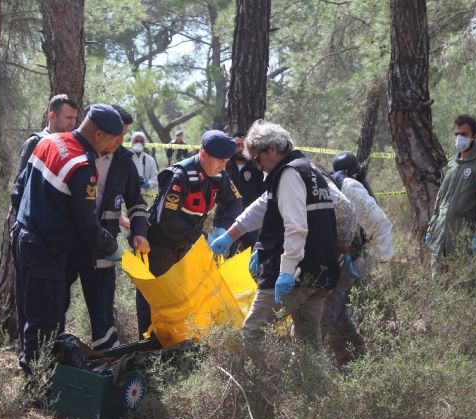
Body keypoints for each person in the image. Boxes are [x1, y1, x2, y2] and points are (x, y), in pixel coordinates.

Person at [11, 104, 124, 372]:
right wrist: (111, 244)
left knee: (30, 312)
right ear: (98, 134)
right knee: (45, 322)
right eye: (111, 141)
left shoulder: (49, 141)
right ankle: (39, 386)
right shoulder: (82, 165)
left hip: (22, 237)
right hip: (45, 250)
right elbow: (86, 222)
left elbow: (19, 189)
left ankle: (32, 369)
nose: (112, 148)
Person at [209, 120, 339, 354]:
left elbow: (296, 227)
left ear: (273, 150)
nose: (258, 167)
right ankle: (317, 390)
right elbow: (262, 206)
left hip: (295, 273)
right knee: (308, 345)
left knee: (253, 333)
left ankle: (258, 389)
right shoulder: (309, 169)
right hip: (321, 271)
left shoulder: (289, 174)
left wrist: (286, 271)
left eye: (257, 159)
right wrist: (230, 236)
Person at [139, 130, 243, 338]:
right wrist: (200, 238)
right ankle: (148, 349)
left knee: (185, 299)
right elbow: (166, 220)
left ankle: (180, 345)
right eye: (220, 161)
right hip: (160, 246)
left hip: (187, 246)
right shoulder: (180, 176)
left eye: (226, 161)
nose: (224, 166)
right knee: (158, 300)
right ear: (203, 155)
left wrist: (223, 229)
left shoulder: (219, 175)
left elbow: (235, 202)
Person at [64, 106, 150, 350]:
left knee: (102, 308)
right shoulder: (76, 152)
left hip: (103, 246)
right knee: (56, 303)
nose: (120, 141)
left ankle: (106, 362)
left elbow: (136, 202)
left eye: (124, 135)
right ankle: (53, 359)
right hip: (67, 243)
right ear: (101, 132)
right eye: (116, 135)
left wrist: (139, 232)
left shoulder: (124, 161)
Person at [323, 151, 393, 366]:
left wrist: (382, 261)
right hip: (336, 259)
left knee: (354, 309)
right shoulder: (333, 185)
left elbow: (379, 224)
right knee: (339, 311)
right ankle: (352, 359)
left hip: (353, 260)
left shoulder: (350, 187)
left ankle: (374, 356)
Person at [426, 115, 476, 274]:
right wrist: (432, 225)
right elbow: (440, 198)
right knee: (437, 285)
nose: (459, 138)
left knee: (460, 287)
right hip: (440, 235)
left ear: (475, 136)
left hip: (463, 237)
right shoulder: (451, 164)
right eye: (457, 134)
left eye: (464, 134)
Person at [14, 94, 79, 179]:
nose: (73, 123)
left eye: (74, 118)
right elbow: (19, 186)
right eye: (69, 118)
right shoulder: (35, 142)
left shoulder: (74, 146)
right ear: (52, 116)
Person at [223, 130, 265, 253]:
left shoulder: (257, 167)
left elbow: (264, 193)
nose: (241, 148)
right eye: (237, 145)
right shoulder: (224, 165)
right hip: (227, 219)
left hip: (251, 220)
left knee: (250, 255)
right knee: (225, 256)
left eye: (244, 145)